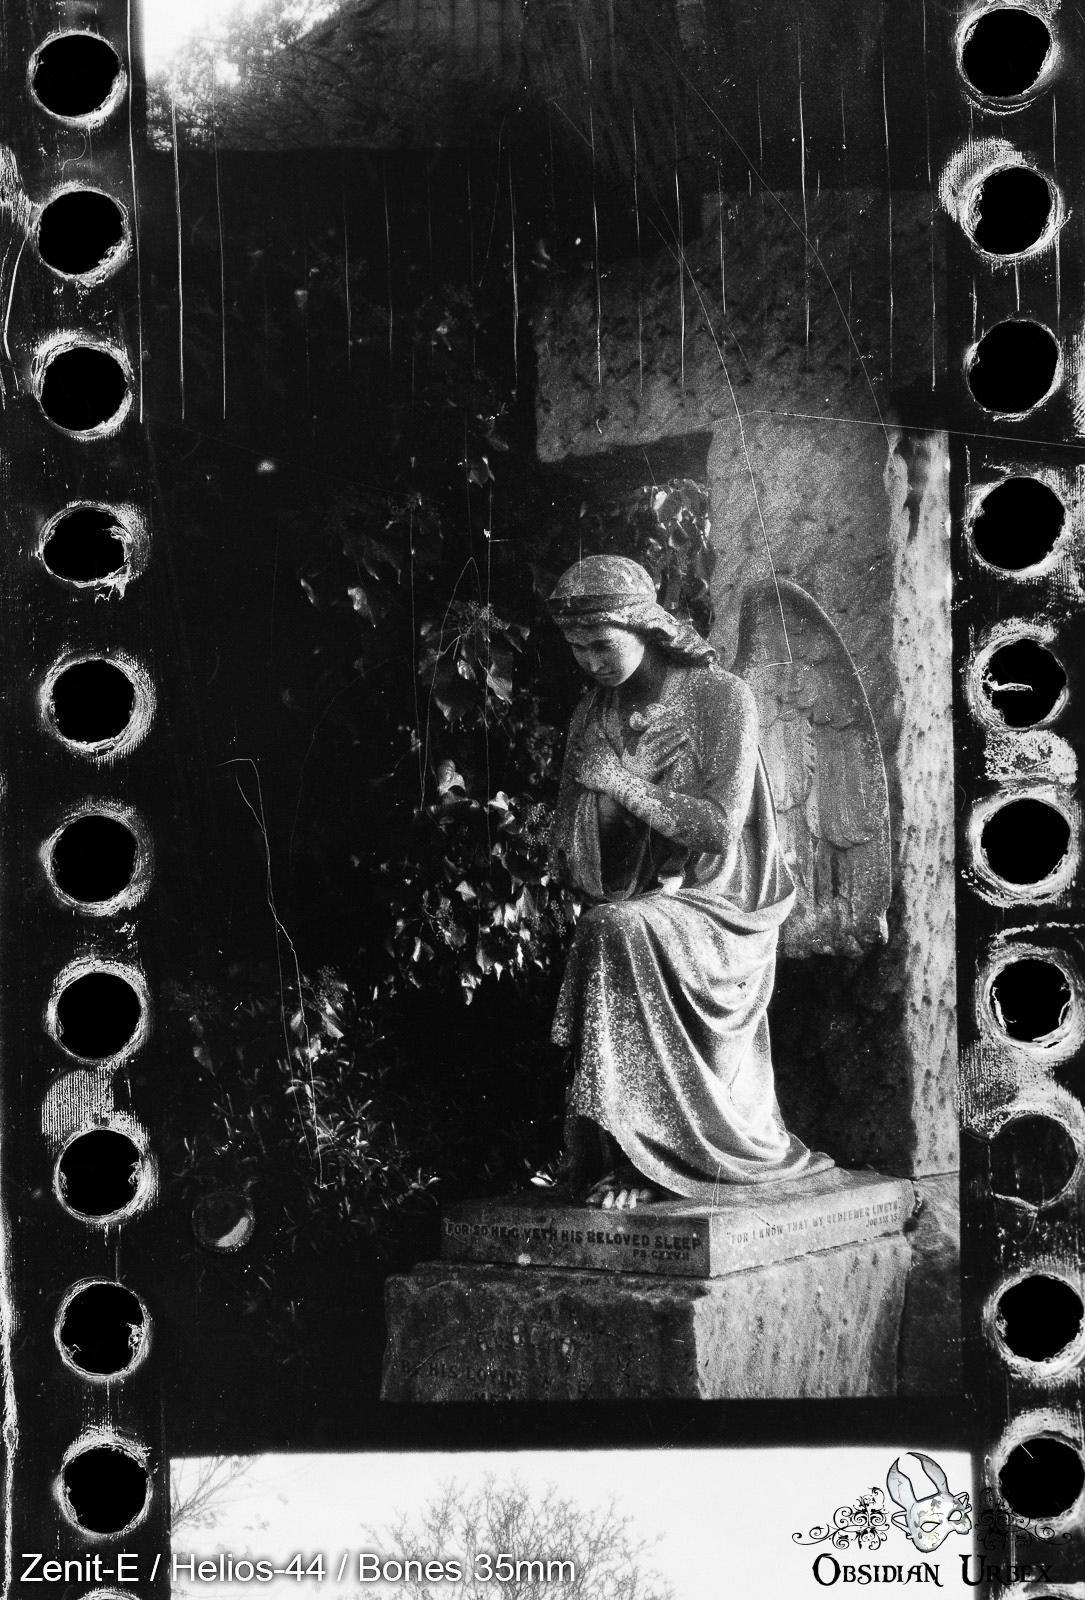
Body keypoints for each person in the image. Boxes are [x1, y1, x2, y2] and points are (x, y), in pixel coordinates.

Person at [548, 554, 831, 1210]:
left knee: (615, 929)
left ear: (643, 626)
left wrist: (618, 783)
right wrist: (593, 828)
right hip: (637, 902)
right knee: (609, 923)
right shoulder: (590, 714)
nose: (589, 662)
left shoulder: (717, 696)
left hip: (722, 905)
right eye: (575, 648)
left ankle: (642, 1157)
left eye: (601, 644)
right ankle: (617, 1151)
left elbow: (715, 831)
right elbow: (568, 851)